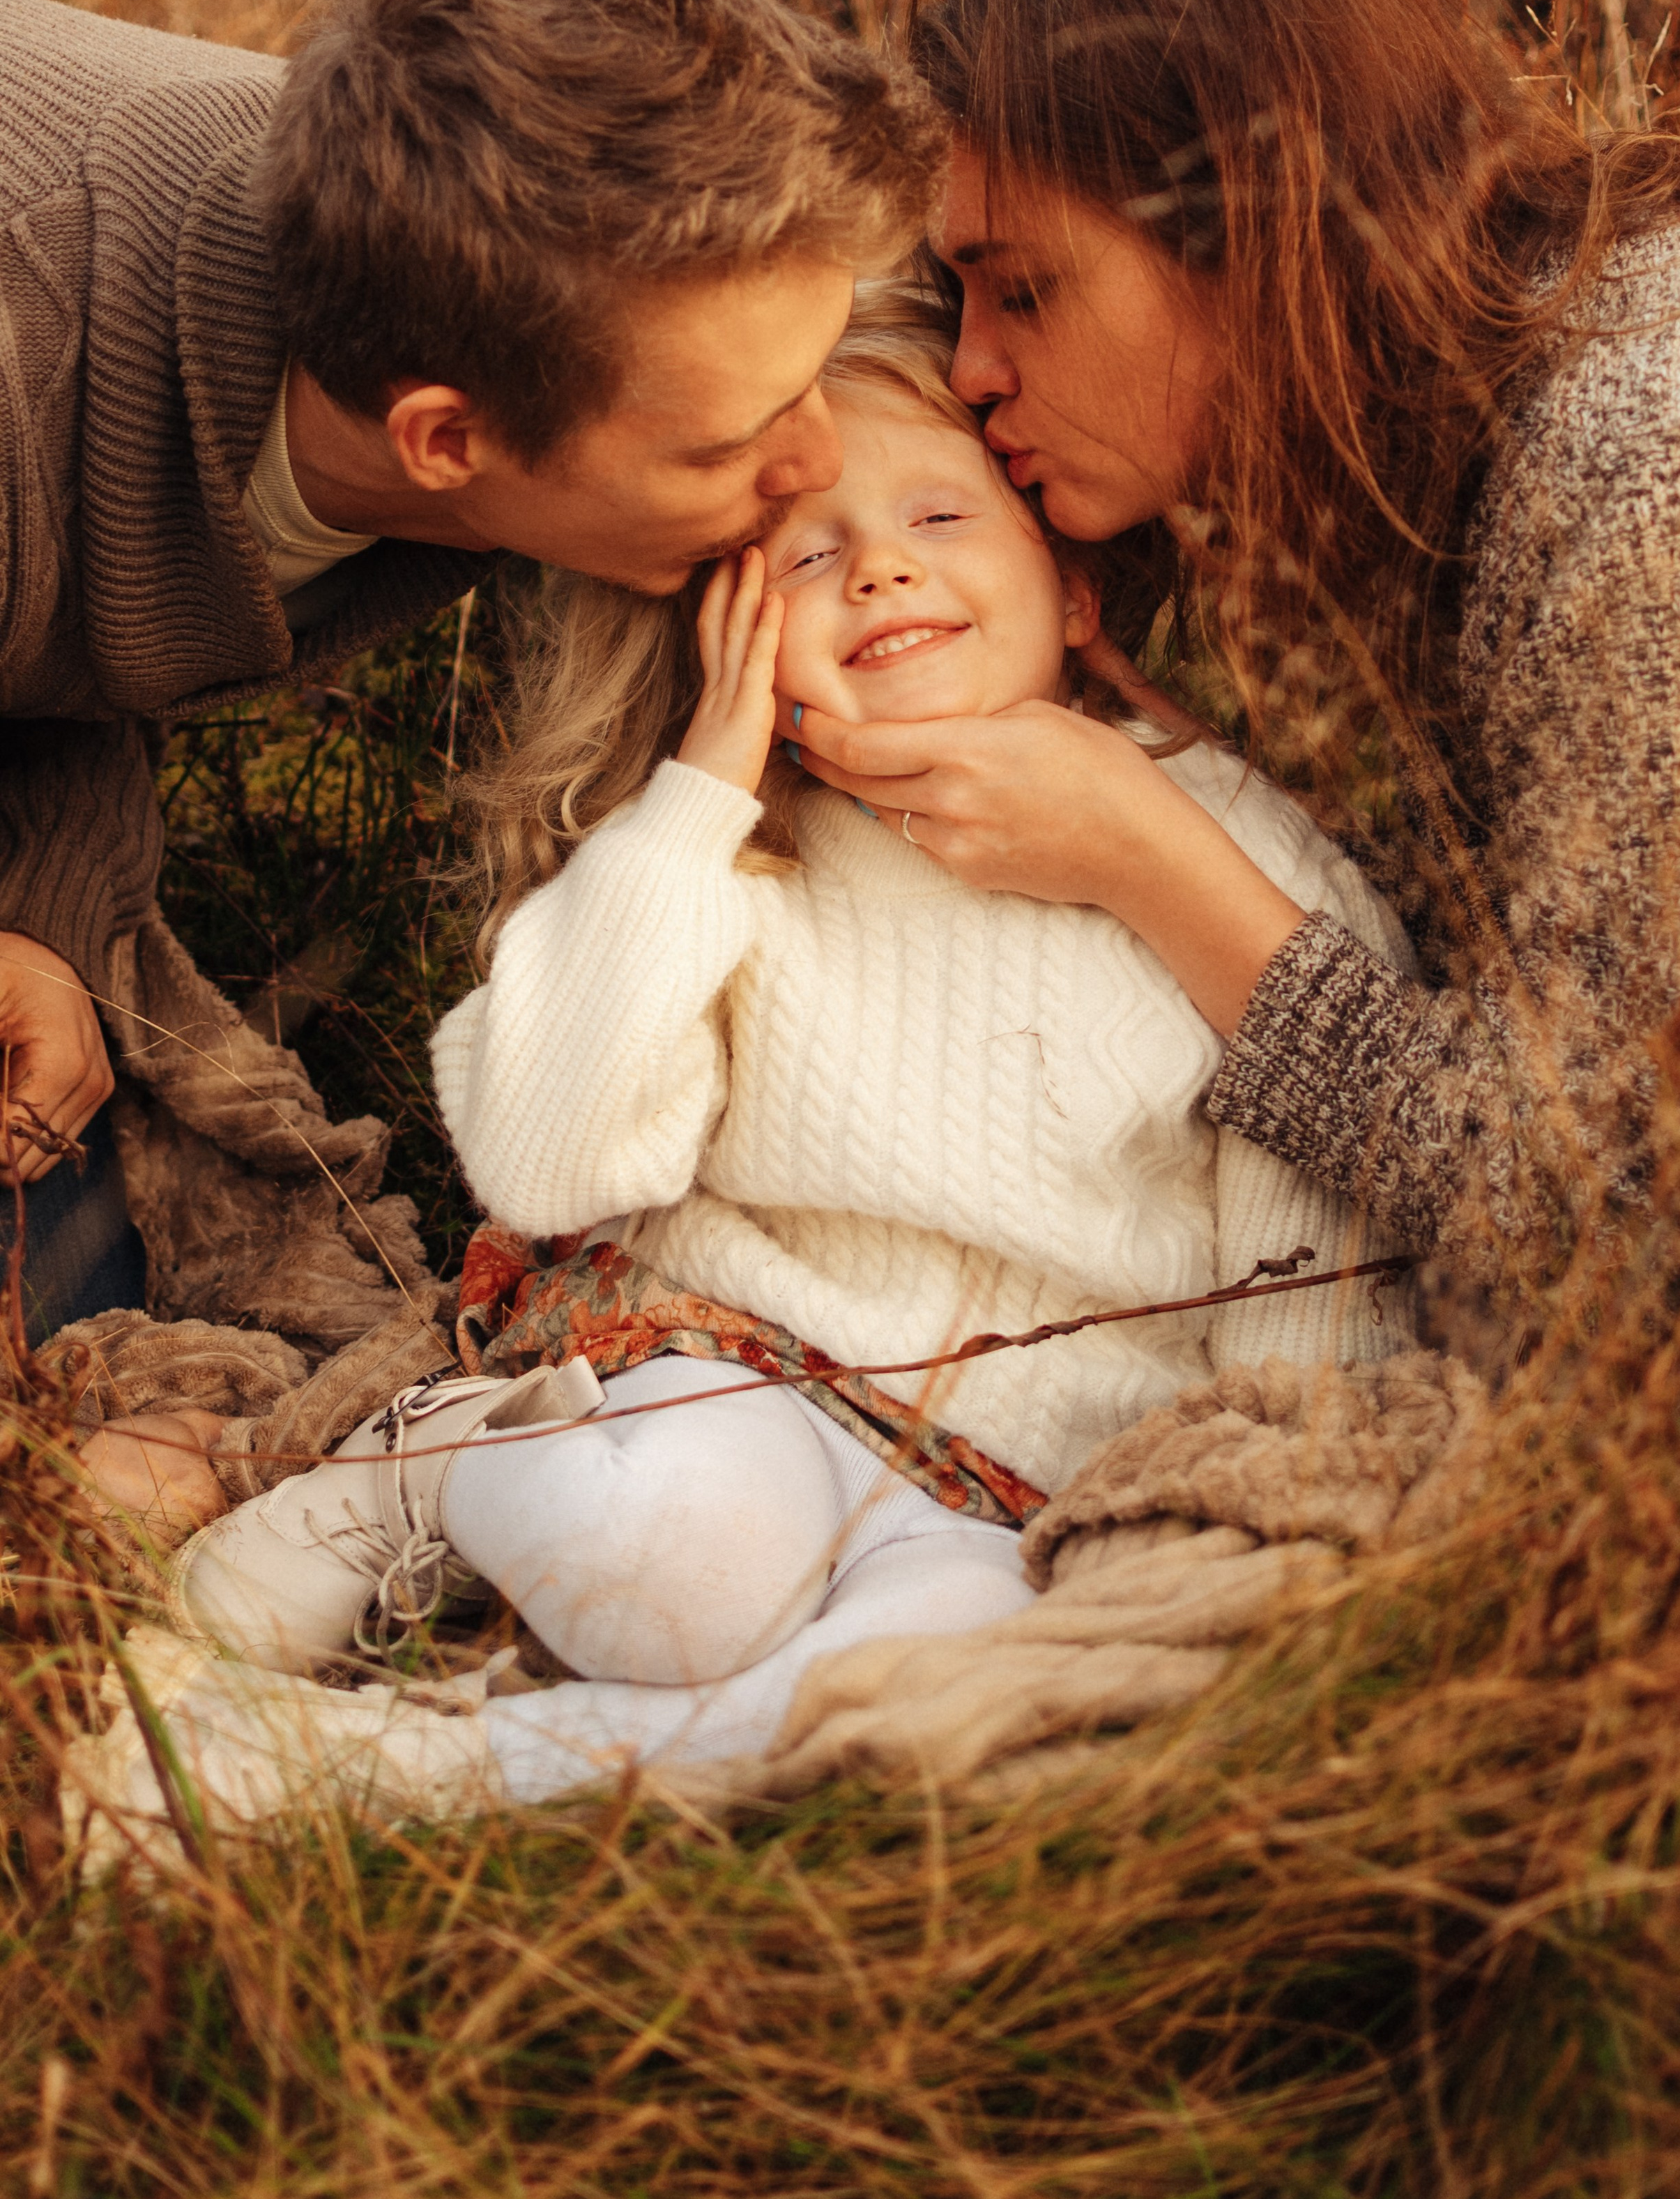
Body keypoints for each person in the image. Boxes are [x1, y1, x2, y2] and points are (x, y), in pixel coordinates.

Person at [169, 294, 1414, 1798]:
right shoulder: (735, 859)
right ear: (732, 640)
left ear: (1072, 589)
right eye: (805, 557)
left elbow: (1306, 1263)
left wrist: (1241, 1506)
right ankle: (440, 1459)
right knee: (675, 1572)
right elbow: (544, 1160)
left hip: (1016, 1492)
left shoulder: (1232, 855)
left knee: (900, 1705)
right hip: (730, 1376)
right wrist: (699, 788)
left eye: (938, 513)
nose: (878, 563)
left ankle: (370, 1780)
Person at [779, 0, 1680, 1339]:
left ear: (1246, 228)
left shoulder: (1668, 450)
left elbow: (1610, 1221)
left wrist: (1153, 863)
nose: (976, 372)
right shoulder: (1443, 430)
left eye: (1027, 290)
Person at [0, 0, 940, 1342]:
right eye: (723, 448)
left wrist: (47, 912)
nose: (813, 468)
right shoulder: (33, 341)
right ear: (444, 444)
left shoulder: (433, 285)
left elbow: (56, 638)